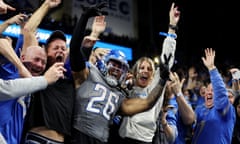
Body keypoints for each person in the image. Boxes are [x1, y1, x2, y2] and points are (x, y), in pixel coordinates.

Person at [69, 2, 170, 144]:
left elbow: (147, 103)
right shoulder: (88, 73)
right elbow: (74, 51)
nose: (116, 69)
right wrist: (84, 17)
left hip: (101, 140)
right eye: (114, 64)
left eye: (121, 67)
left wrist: (162, 81)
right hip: (77, 135)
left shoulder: (119, 95)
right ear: (105, 62)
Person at [114, 3, 180, 144]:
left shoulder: (155, 89)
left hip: (143, 141)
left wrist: (172, 28)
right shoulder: (128, 88)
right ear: (136, 72)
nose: (145, 71)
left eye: (149, 69)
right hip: (120, 139)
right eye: (141, 68)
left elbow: (166, 61)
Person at [21, 0, 76, 143]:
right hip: (37, 139)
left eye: (63, 49)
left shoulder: (71, 77)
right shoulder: (40, 70)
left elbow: (77, 48)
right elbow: (28, 31)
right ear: (46, 52)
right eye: (55, 48)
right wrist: (46, 5)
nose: (60, 51)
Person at [191, 48, 236, 144]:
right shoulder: (199, 109)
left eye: (213, 90)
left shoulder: (226, 111)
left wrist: (212, 68)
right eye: (207, 90)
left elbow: (221, 94)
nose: (209, 92)